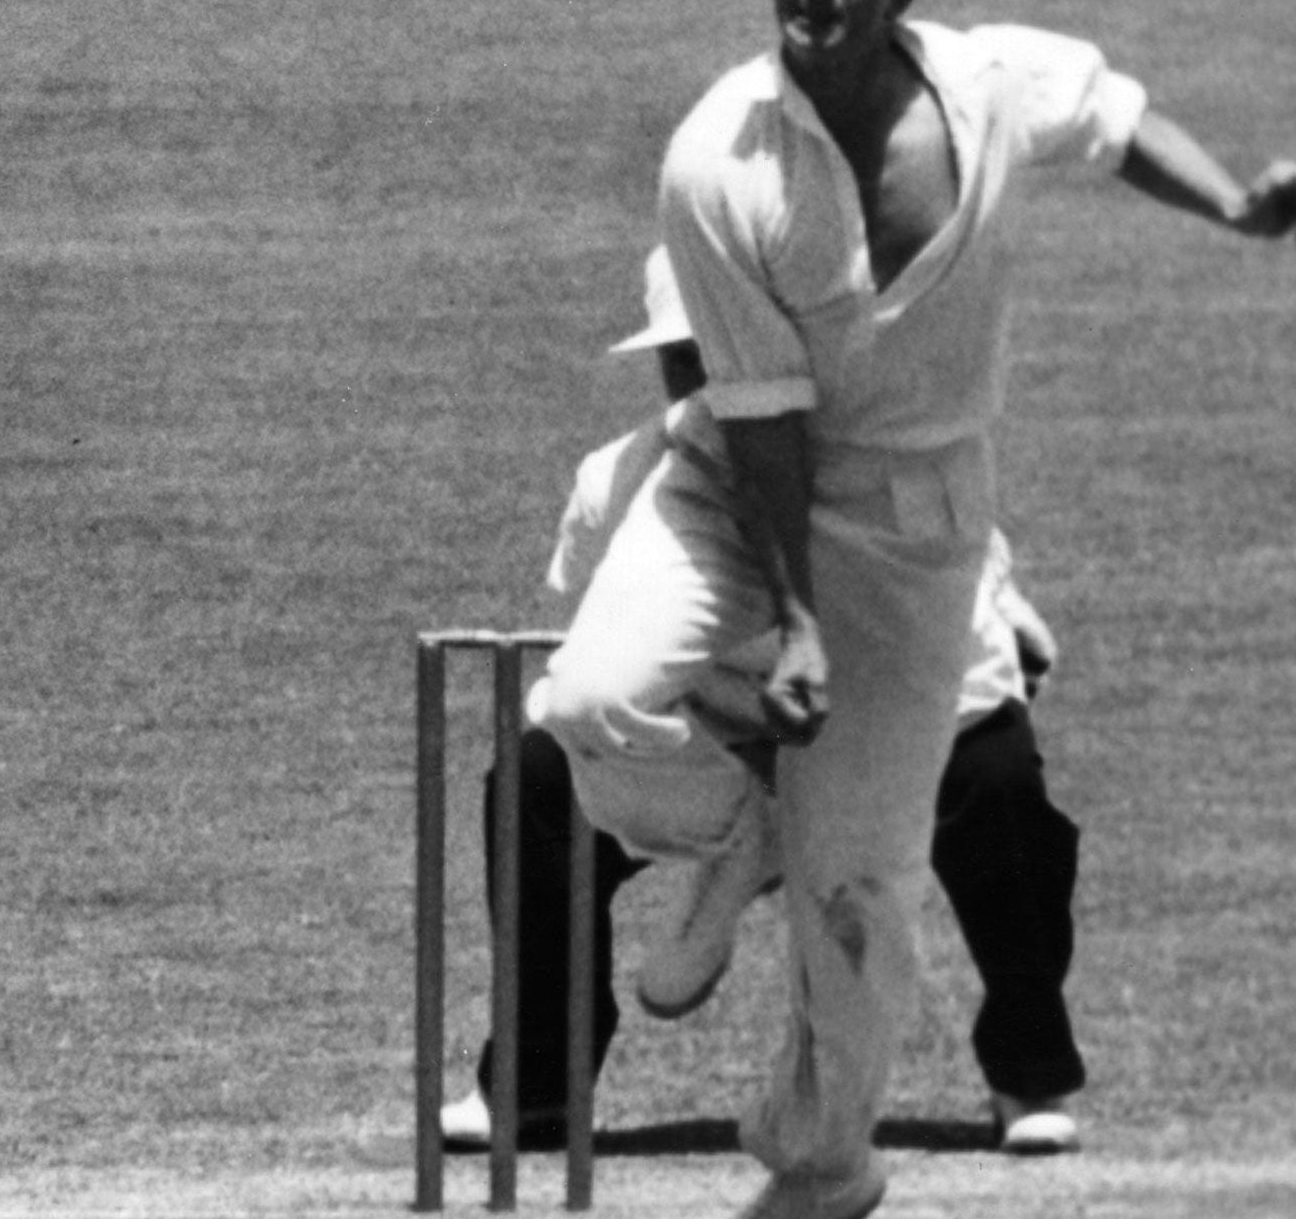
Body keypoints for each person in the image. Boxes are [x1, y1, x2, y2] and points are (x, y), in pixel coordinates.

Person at [534, 0, 1296, 1219]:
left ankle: (824, 1165)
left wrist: (1236, 207)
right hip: (734, 485)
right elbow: (761, 428)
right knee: (588, 701)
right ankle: (746, 829)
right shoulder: (717, 160)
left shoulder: (989, 81)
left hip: (918, 532)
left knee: (862, 890)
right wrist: (796, 622)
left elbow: (1115, 118)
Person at [442, 248, 1085, 1157]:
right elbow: (608, 664)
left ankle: (1031, 1071)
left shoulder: (877, 478)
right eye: (680, 361)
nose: (697, 391)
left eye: (716, 361)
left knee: (998, 774)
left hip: (876, 735)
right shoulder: (612, 484)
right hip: (718, 754)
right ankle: (535, 1086)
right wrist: (755, 757)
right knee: (537, 780)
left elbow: (971, 678)